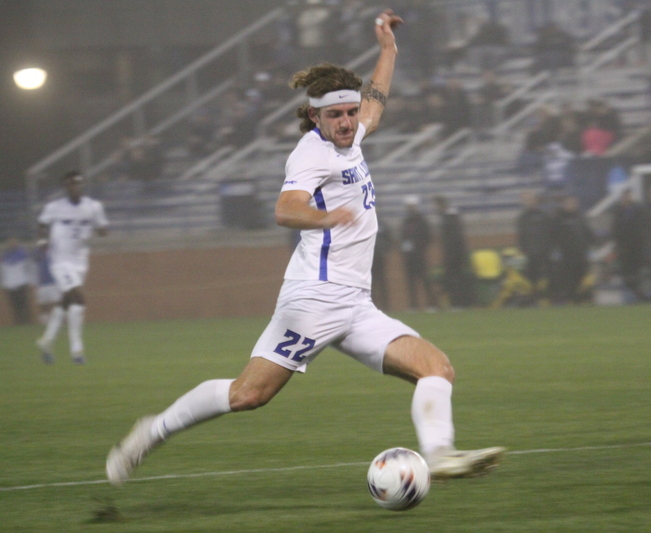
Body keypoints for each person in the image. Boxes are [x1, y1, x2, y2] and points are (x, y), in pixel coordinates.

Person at [106, 11, 504, 488]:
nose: (347, 121)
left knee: (436, 367)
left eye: (349, 111)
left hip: (354, 303)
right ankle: (153, 430)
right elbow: (285, 208)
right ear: (314, 115)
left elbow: (374, 107)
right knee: (248, 394)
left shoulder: (353, 134)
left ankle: (438, 455)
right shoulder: (311, 153)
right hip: (314, 299)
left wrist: (388, 51)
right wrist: (324, 217)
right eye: (334, 114)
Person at [36, 171, 109, 365]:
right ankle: (76, 348)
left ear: (82, 185)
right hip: (60, 260)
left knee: (67, 302)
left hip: (80, 261)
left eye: (77, 183)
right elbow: (42, 223)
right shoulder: (55, 207)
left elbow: (103, 229)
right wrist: (43, 239)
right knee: (78, 296)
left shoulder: (93, 207)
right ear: (65, 187)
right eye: (70, 184)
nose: (74, 187)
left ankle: (47, 341)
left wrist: (101, 229)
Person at [433, 196, 474, 309]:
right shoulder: (451, 217)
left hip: (454, 254)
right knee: (455, 279)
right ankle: (457, 303)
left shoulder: (449, 218)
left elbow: (454, 239)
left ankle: (458, 303)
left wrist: (450, 254)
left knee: (455, 280)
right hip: (455, 253)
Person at [400, 195, 437, 311]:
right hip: (409, 257)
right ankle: (413, 305)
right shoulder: (405, 222)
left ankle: (431, 305)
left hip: (420, 255)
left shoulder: (422, 221)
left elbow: (428, 237)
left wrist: (418, 247)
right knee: (411, 282)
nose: (410, 208)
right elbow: (402, 237)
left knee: (425, 280)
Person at [1, 237, 33, 325]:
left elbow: (28, 268)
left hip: (21, 283)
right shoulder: (5, 256)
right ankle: (18, 322)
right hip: (11, 285)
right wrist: (4, 284)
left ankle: (26, 321)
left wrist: (30, 281)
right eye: (10, 243)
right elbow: (3, 271)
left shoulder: (22, 254)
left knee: (24, 304)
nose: (12, 244)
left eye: (14, 243)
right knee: (14, 305)